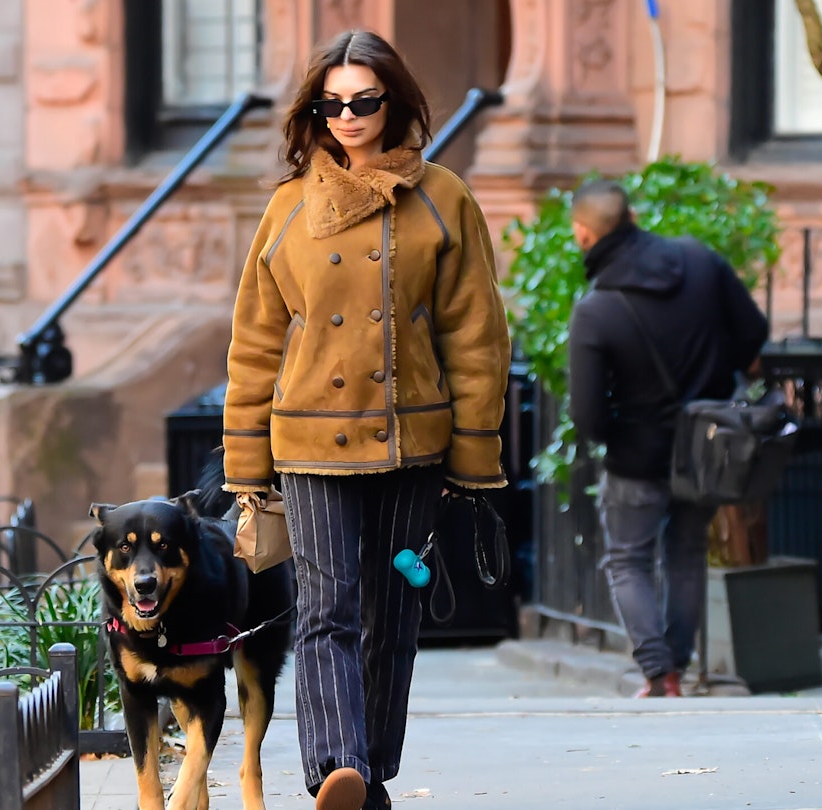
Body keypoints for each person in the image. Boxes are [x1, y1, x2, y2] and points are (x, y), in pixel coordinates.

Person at [222, 29, 511, 810]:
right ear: (316, 111)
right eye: (333, 103)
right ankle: (335, 766)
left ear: (395, 102)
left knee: (394, 614)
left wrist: (473, 456)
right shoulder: (288, 208)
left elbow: (476, 336)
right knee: (326, 608)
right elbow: (253, 343)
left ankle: (370, 774)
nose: (349, 116)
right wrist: (246, 464)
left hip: (411, 442)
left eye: (365, 101)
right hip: (311, 441)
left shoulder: (443, 197)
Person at [566, 179, 769, 698]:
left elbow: (587, 415)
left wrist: (620, 434)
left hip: (639, 457)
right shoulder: (699, 260)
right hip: (706, 449)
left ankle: (660, 674)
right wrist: (715, 382)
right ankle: (675, 664)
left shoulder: (596, 310)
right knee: (685, 553)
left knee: (627, 560)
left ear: (583, 234)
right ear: (631, 215)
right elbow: (752, 330)